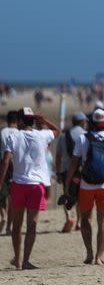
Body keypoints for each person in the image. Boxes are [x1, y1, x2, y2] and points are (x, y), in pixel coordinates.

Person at [0, 107, 60, 270]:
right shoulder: (42, 135)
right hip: (36, 186)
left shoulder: (13, 136)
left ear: (19, 120)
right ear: (32, 120)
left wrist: (0, 183)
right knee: (32, 225)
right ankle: (26, 260)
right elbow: (57, 130)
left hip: (18, 184)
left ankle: (18, 260)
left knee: (17, 226)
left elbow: (5, 161)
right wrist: (43, 120)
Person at [65, 109, 104, 265]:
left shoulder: (82, 139)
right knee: (103, 220)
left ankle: (89, 253)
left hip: (86, 185)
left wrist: (68, 182)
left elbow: (74, 163)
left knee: (85, 218)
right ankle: (99, 256)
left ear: (91, 122)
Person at [54, 111, 88, 233]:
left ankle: (69, 218)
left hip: (65, 171)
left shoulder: (64, 135)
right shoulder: (86, 135)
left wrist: (57, 172)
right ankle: (78, 222)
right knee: (80, 197)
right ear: (82, 122)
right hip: (81, 172)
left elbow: (58, 156)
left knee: (67, 195)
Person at [0, 111, 20, 235]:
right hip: (16, 165)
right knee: (12, 197)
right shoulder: (20, 133)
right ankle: (8, 227)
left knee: (2, 192)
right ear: (17, 121)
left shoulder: (2, 132)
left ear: (7, 121)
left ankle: (3, 214)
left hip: (3, 162)